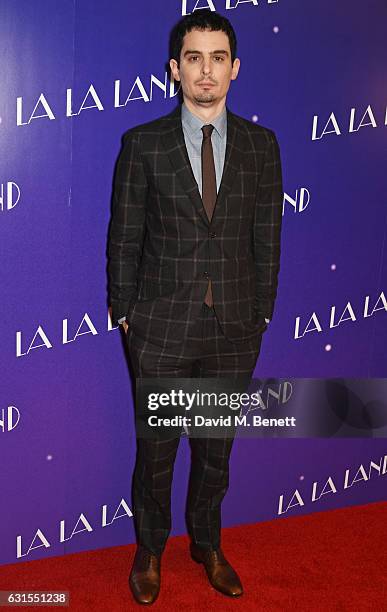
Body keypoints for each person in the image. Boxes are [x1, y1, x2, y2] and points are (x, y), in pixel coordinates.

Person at [107, 9, 283, 605]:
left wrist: (261, 312)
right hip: (158, 330)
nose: (204, 70)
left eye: (216, 58)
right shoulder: (143, 145)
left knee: (216, 452)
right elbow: (124, 238)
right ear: (174, 69)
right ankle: (150, 549)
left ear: (234, 68)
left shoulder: (263, 147)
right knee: (155, 454)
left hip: (234, 328)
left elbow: (268, 237)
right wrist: (126, 315)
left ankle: (206, 543)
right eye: (192, 58)